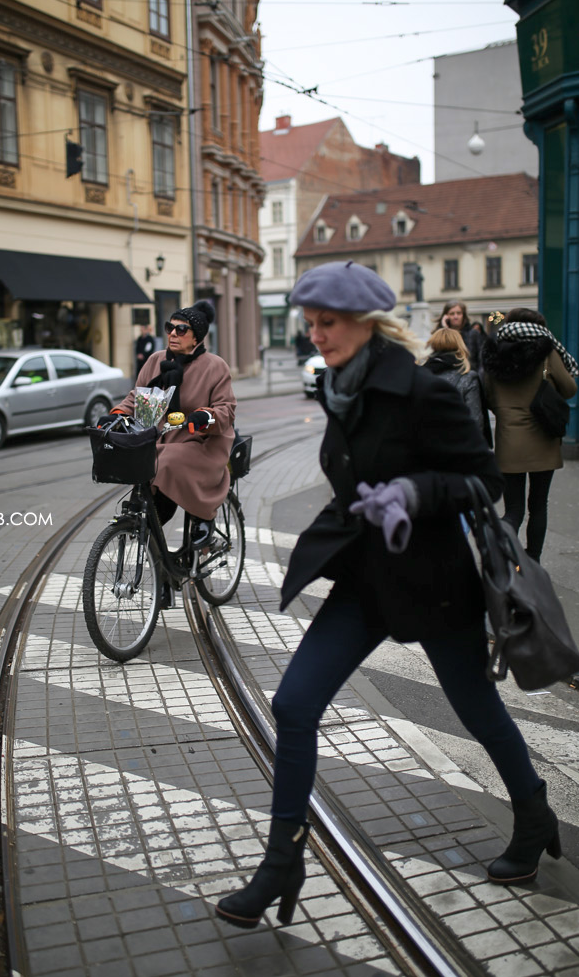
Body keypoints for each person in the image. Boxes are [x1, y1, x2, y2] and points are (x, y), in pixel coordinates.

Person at [215, 261, 561, 932]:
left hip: (435, 583)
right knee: (293, 703)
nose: (315, 334)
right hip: (366, 579)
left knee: (476, 708)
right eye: (310, 322)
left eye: (328, 322)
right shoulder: (339, 388)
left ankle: (533, 810)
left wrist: (413, 492)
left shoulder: (424, 389)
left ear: (366, 322)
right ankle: (282, 862)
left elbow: (484, 480)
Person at [109, 300, 235, 553]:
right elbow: (138, 396)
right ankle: (150, 523)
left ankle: (203, 517)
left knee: (165, 460)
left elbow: (226, 409)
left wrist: (204, 416)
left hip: (202, 443)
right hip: (163, 438)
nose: (173, 334)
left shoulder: (215, 366)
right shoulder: (156, 360)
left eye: (181, 330)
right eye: (170, 327)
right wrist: (116, 414)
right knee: (149, 458)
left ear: (196, 337)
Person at [483, 307, 577, 563]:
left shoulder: (493, 353)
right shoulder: (546, 352)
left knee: (513, 509)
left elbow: (488, 396)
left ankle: (502, 555)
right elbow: (569, 389)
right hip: (543, 440)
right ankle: (532, 560)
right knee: (538, 505)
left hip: (508, 440)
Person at [423, 327, 491, 444]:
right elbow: (475, 421)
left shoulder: (419, 375)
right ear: (460, 346)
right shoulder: (467, 377)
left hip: (426, 447)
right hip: (458, 446)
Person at [434, 299, 485, 373]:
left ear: (463, 315)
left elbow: (481, 360)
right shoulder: (438, 334)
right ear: (446, 316)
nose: (455, 316)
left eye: (459, 313)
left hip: (470, 375)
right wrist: (444, 328)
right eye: (452, 314)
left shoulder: (473, 334)